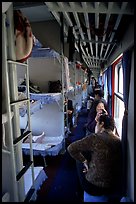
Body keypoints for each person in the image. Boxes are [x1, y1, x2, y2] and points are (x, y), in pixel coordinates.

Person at [67, 114, 122, 202]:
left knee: (79, 162)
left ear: (101, 124)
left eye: (97, 124)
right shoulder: (118, 140)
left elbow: (71, 148)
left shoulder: (96, 138)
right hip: (112, 185)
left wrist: (84, 161)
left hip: (94, 186)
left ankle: (79, 192)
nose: (96, 126)